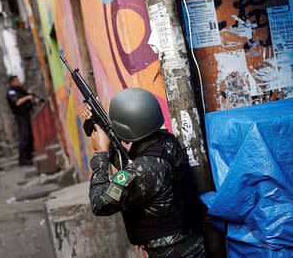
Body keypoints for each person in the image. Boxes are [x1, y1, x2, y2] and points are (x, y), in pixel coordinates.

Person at [83, 88, 206, 258]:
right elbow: (132, 166)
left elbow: (99, 203)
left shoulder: (144, 169)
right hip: (187, 244)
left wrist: (101, 154)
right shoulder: (164, 142)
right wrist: (97, 124)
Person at [6, 75, 38, 166]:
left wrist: (33, 99)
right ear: (12, 82)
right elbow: (17, 102)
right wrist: (27, 98)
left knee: (29, 136)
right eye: (16, 80)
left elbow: (28, 95)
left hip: (26, 115)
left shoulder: (19, 89)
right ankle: (22, 159)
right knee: (24, 137)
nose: (18, 81)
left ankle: (29, 156)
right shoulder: (11, 92)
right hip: (20, 116)